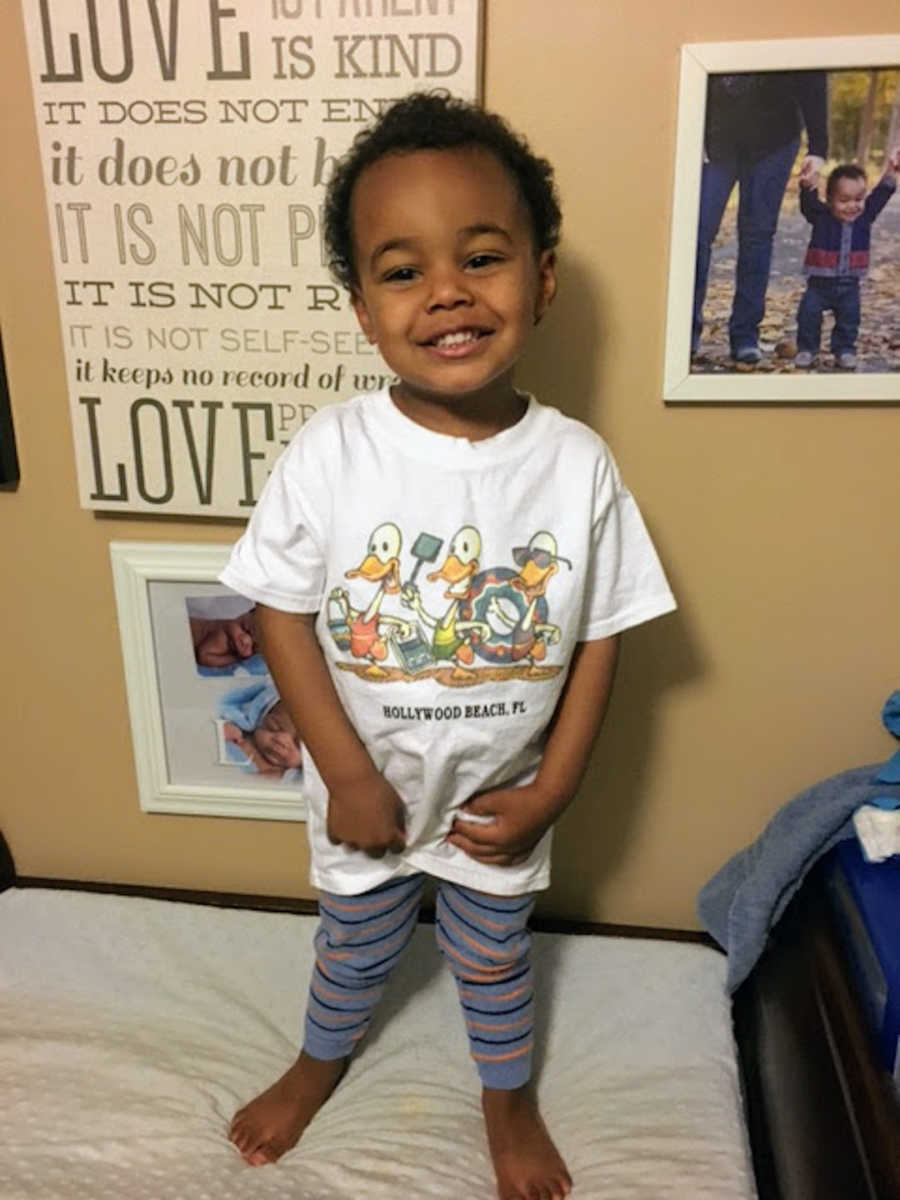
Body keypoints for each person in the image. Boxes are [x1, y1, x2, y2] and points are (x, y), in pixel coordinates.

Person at [220, 92, 676, 1200]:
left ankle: (506, 1103)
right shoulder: (331, 453)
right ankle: (319, 1059)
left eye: (481, 255)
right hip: (367, 794)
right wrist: (344, 772)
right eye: (402, 270)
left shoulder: (577, 468)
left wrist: (554, 789)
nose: (449, 294)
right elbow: (280, 612)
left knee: (493, 959)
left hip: (499, 800)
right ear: (363, 310)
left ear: (543, 277)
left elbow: (602, 636)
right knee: (355, 949)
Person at [692, 70, 828, 365]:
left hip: (774, 139)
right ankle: (685, 333)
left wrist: (818, 148)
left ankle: (744, 336)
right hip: (715, 137)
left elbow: (812, 73)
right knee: (696, 232)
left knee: (757, 235)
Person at [794, 150, 899, 370]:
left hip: (850, 285)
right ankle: (807, 349)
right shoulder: (821, 216)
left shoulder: (865, 216)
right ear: (830, 199)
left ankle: (844, 350)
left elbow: (881, 194)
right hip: (818, 284)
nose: (852, 206)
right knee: (808, 315)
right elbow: (808, 204)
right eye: (844, 200)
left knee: (849, 320)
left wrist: (890, 172)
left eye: (858, 199)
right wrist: (807, 186)